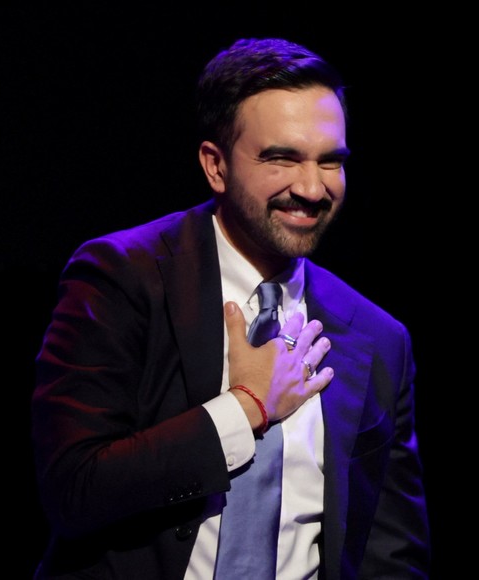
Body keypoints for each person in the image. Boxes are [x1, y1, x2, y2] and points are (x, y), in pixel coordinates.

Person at [31, 37, 430, 579]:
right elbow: (73, 491)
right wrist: (245, 409)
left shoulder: (379, 337)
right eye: (281, 158)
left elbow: (390, 554)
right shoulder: (122, 279)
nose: (312, 188)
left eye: (330, 162)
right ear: (215, 167)